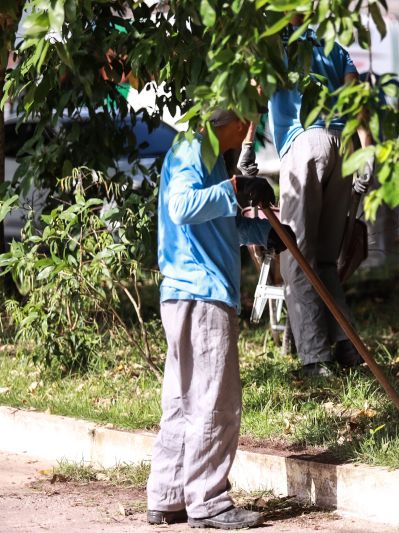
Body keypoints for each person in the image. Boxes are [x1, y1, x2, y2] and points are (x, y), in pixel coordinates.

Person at [146, 110, 285, 529]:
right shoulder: (194, 148)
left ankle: (168, 495)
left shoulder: (204, 154)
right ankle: (208, 502)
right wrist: (237, 189)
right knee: (213, 401)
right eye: (250, 124)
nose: (252, 135)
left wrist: (264, 234)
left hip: (186, 292)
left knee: (183, 400)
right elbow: (182, 207)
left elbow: (216, 225)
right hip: (201, 293)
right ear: (236, 119)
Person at [268, 15, 369, 377]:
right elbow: (356, 96)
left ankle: (315, 358)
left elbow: (250, 94)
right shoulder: (334, 47)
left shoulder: (275, 45)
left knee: (295, 256)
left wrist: (247, 148)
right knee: (324, 260)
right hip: (341, 146)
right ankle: (347, 345)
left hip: (303, 144)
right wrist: (365, 152)